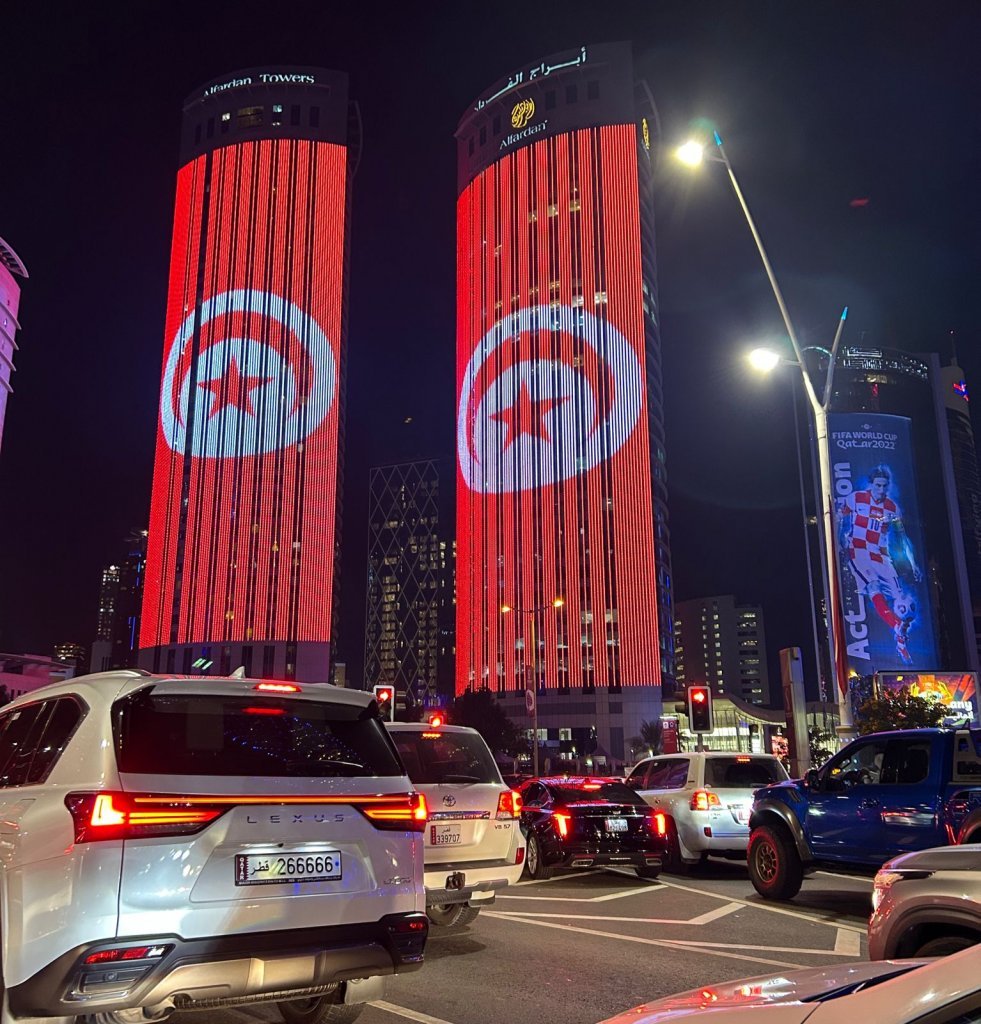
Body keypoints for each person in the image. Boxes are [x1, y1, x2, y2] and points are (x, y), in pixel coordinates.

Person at [837, 465, 923, 664]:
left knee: (900, 598)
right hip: (858, 551)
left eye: (885, 486)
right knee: (873, 586)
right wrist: (839, 541)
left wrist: (913, 563)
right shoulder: (855, 498)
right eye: (878, 485)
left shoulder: (893, 508)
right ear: (871, 484)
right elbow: (840, 518)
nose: (881, 489)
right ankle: (897, 629)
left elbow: (902, 538)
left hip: (881, 556)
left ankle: (900, 636)